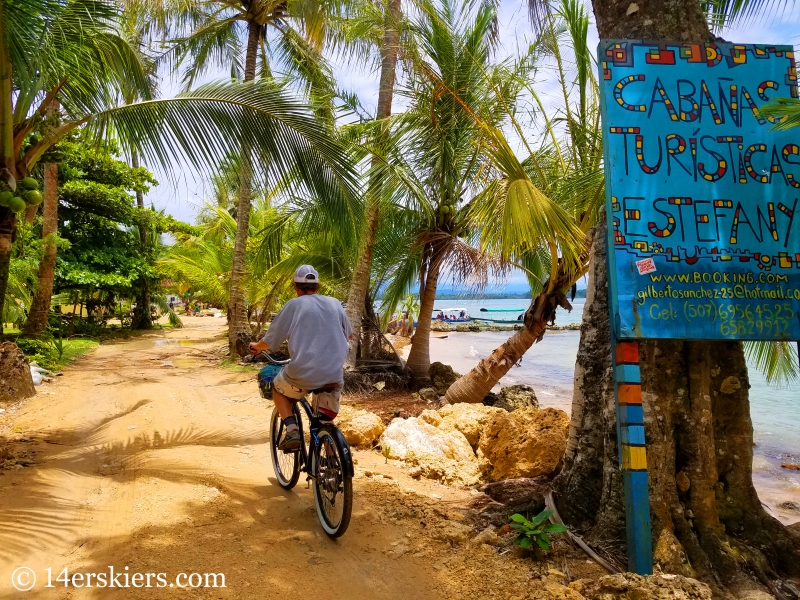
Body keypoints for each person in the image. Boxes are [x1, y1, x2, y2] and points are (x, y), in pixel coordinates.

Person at [249, 265, 353, 452]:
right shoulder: (335, 303)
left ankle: (292, 430)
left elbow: (271, 339)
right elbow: (349, 336)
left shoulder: (294, 305)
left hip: (302, 374)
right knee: (325, 421)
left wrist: (257, 347)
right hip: (333, 375)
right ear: (318, 286)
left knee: (278, 389)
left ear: (296, 287)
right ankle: (332, 465)